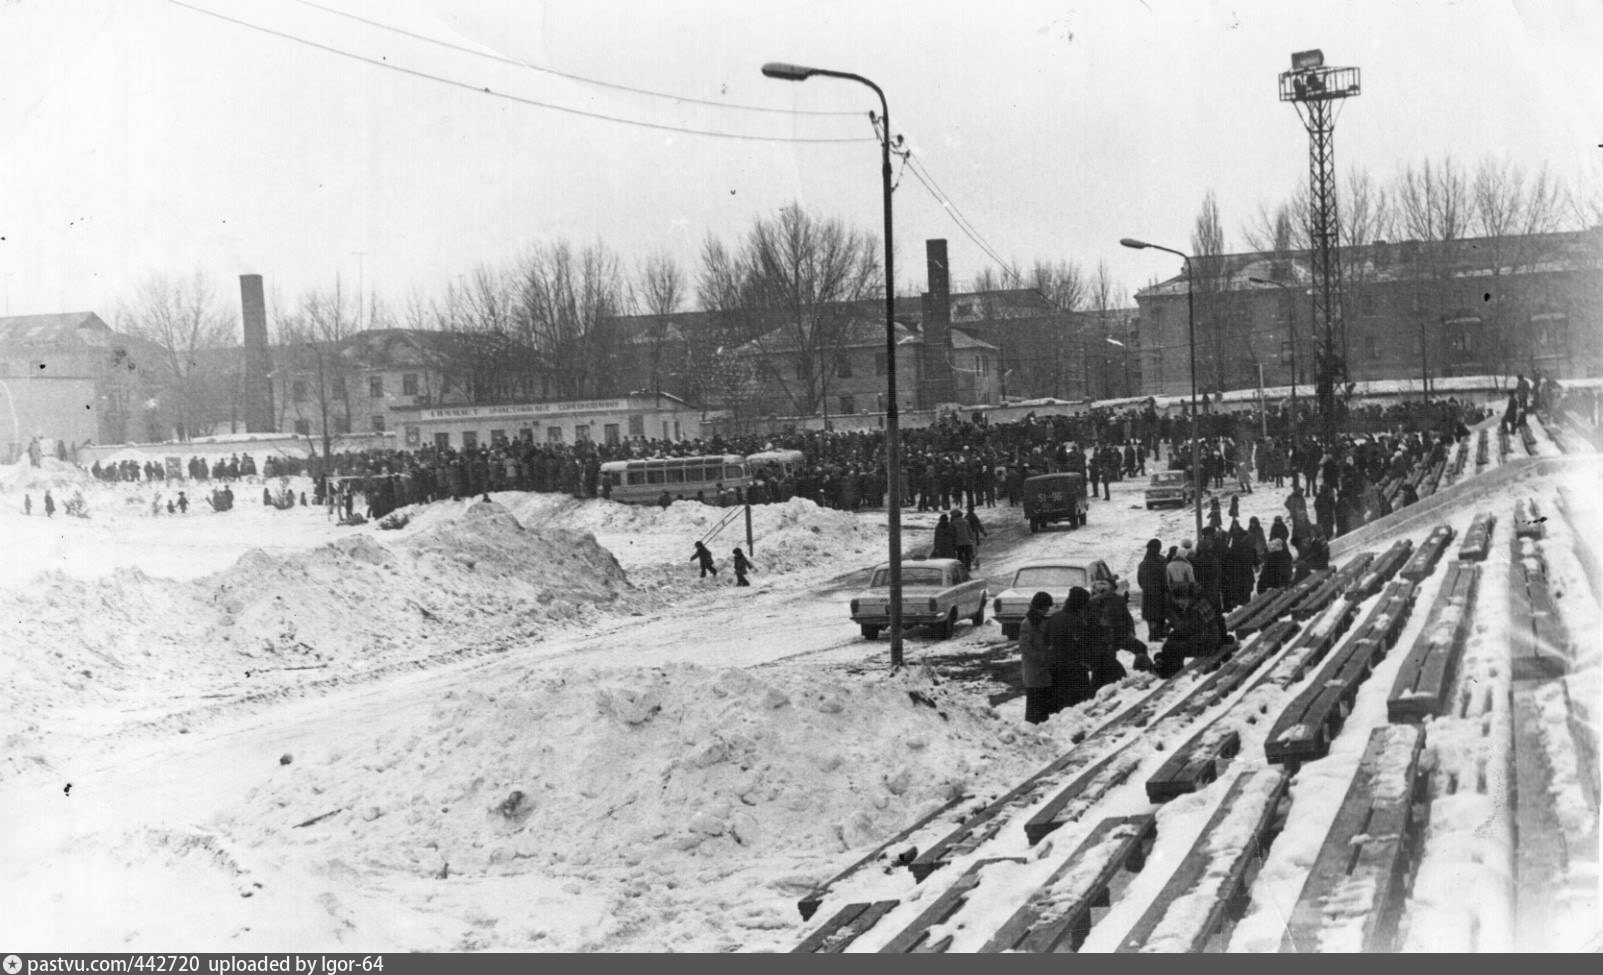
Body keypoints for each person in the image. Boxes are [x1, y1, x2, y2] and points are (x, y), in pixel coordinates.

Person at [1155, 582, 1222, 678]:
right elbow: (1191, 627)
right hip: (1213, 637)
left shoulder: (1193, 610)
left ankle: (1170, 673)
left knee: (1171, 646)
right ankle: (1167, 665)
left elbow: (1190, 631)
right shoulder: (1201, 601)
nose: (1180, 605)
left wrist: (1176, 637)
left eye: (1180, 602)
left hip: (1208, 645)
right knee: (1174, 640)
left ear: (1185, 598)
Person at [1046, 586, 1097, 712]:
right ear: (1081, 604)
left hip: (1055, 667)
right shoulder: (1076, 621)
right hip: (1074, 670)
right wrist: (1087, 662)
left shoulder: (1054, 617)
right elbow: (1081, 645)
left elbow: (1046, 641)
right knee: (1076, 706)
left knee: (1058, 705)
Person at [1019, 592, 1057, 724]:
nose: (1048, 610)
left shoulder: (1040, 620)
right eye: (1046, 607)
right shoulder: (1028, 623)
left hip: (1042, 668)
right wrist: (1042, 657)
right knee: (1034, 702)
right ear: (1040, 607)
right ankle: (1032, 725)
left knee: (1042, 701)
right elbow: (1025, 647)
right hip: (1034, 668)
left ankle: (1041, 723)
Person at [1137, 538, 1169, 641]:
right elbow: (1165, 578)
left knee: (1151, 616)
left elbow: (1140, 580)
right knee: (1158, 614)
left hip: (1148, 593)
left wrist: (1146, 587)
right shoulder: (1161, 562)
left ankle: (1153, 634)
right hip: (1159, 593)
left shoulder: (1143, 564)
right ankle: (1156, 634)